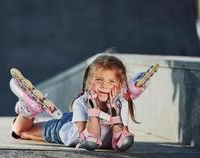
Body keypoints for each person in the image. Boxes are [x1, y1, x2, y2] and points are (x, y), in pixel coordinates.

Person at [10, 55, 145, 151]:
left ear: (120, 85)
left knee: (25, 132)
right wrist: (93, 110)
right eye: (99, 80)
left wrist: (115, 113)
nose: (105, 86)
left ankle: (30, 112)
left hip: (77, 120)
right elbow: (86, 138)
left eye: (111, 82)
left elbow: (121, 140)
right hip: (65, 127)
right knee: (21, 132)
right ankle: (28, 109)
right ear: (89, 83)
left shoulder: (122, 104)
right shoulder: (81, 102)